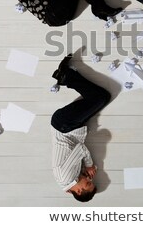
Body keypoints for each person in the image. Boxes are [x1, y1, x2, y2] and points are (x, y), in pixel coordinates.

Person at [50, 54, 111, 202]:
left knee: (100, 98)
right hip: (70, 126)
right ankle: (66, 76)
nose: (89, 179)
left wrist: (89, 165)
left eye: (88, 183)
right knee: (101, 98)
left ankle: (66, 75)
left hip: (64, 124)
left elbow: (80, 148)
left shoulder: (66, 177)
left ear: (77, 190)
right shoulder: (71, 179)